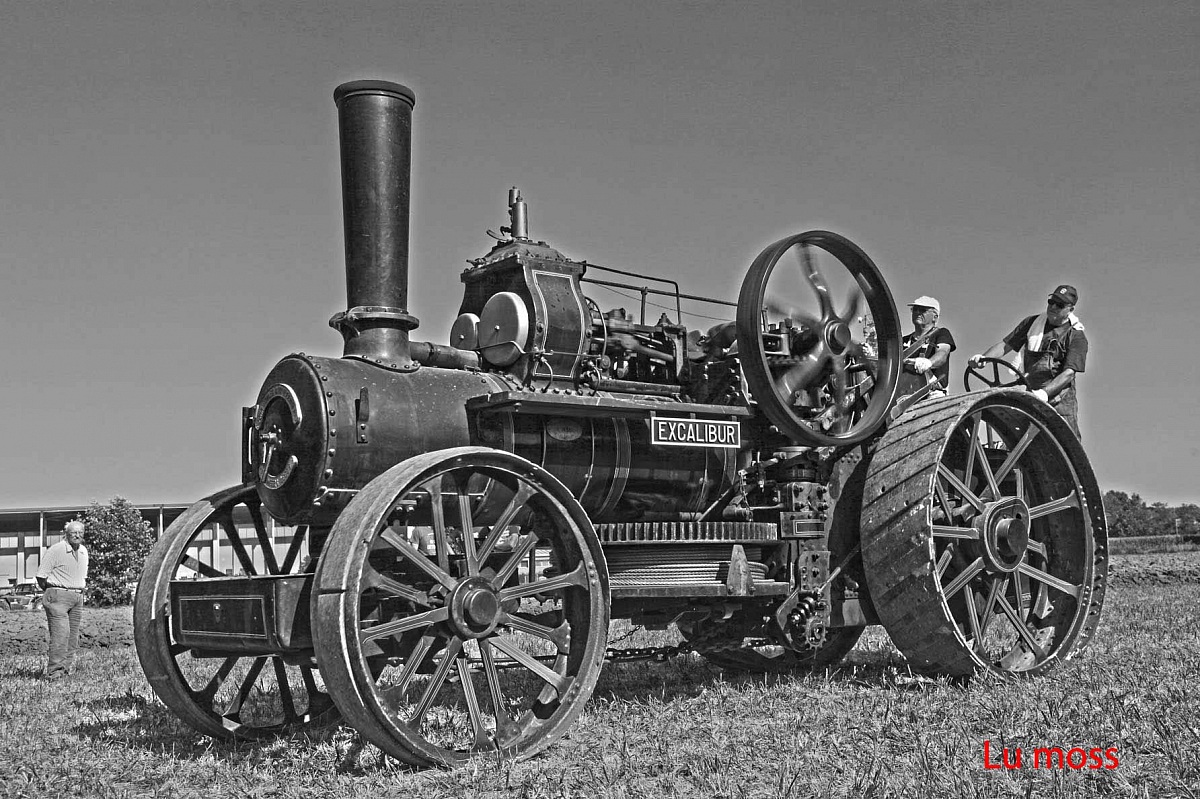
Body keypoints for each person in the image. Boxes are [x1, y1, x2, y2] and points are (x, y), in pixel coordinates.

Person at [970, 284, 1088, 438]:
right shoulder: (1032, 323)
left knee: (1066, 443)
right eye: (1051, 301)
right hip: (1031, 394)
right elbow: (1006, 345)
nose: (1053, 306)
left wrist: (1044, 394)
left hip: (1060, 403)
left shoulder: (1076, 336)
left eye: (1059, 305)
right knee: (1021, 440)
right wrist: (984, 358)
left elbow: (1068, 374)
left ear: (1070, 309)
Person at [35, 520, 89, 680]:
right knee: (61, 635)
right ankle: (54, 674)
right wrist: (52, 591)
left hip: (77, 597)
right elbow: (41, 576)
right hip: (58, 595)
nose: (77, 535)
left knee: (72, 637)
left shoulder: (84, 551)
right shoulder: (56, 550)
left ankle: (65, 670)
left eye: (80, 532)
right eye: (74, 532)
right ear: (66, 534)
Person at [901, 295, 956, 397]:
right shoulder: (903, 341)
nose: (917, 312)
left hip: (932, 395)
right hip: (905, 395)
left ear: (935, 316)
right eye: (915, 309)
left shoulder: (942, 334)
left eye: (923, 310)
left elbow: (942, 353)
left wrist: (929, 362)